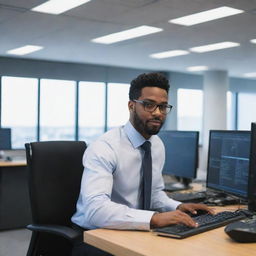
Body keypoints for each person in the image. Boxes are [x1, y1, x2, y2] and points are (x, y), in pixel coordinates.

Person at [71, 72, 213, 255]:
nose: (157, 113)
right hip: (94, 236)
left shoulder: (157, 145)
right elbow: (95, 210)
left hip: (135, 228)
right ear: (131, 106)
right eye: (149, 105)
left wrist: (176, 207)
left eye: (163, 107)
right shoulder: (105, 147)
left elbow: (153, 193)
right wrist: (154, 218)